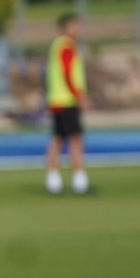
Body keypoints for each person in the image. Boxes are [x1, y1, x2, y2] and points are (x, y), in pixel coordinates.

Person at [45, 13, 89, 195]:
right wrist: (79, 95)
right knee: (75, 140)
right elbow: (67, 72)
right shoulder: (66, 46)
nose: (78, 30)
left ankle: (53, 178)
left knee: (58, 138)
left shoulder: (58, 45)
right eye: (75, 26)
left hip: (57, 99)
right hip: (66, 100)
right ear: (66, 27)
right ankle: (78, 179)